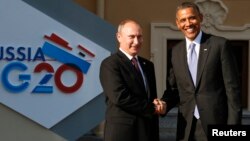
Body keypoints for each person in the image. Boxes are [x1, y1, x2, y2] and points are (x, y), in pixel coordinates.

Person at [160, 2, 242, 141]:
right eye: (183, 20)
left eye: (192, 18)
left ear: (201, 18)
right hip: (186, 129)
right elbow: (174, 90)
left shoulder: (220, 45)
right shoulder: (175, 52)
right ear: (178, 23)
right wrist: (163, 104)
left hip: (216, 125)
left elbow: (232, 92)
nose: (188, 23)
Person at [99, 19, 164, 141]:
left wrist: (158, 105)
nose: (136, 41)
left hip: (148, 132)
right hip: (123, 133)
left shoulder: (148, 65)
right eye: (131, 37)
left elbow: (150, 97)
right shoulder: (110, 64)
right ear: (119, 37)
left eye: (140, 37)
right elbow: (120, 97)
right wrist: (152, 108)